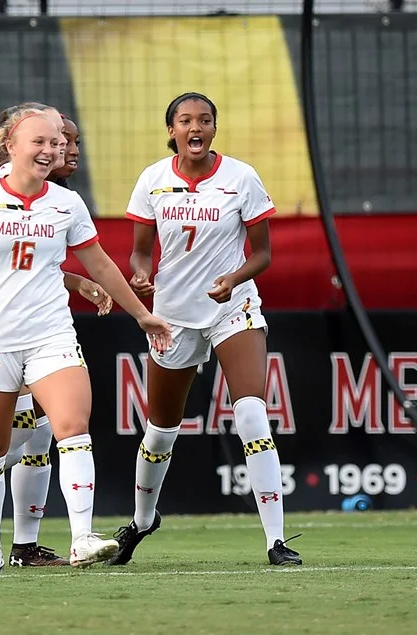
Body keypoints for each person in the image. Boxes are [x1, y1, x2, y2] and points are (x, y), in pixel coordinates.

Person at [0, 109, 172, 573]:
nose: (51, 150)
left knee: (71, 427)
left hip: (50, 335)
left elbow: (100, 264)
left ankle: (81, 538)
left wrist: (142, 315)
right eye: (40, 142)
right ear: (12, 146)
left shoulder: (67, 204)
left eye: (56, 143)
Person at [107, 92, 301, 567]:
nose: (196, 128)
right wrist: (140, 273)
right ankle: (142, 521)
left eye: (205, 120)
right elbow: (139, 251)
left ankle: (276, 541)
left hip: (232, 306)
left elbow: (263, 254)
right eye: (186, 120)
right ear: (171, 130)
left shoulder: (241, 177)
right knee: (160, 432)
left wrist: (234, 278)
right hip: (172, 314)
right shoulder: (153, 179)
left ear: (214, 128)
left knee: (251, 414)